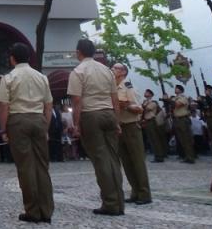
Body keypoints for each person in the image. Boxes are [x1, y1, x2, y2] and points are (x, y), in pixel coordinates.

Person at [0, 43, 54, 224]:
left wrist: (3, 128)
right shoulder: (41, 77)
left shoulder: (9, 78)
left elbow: (4, 106)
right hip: (38, 119)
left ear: (12, 58)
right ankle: (46, 210)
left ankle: (32, 210)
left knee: (26, 166)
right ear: (29, 57)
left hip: (19, 120)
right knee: (42, 166)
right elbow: (49, 105)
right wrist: (45, 127)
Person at [67, 39, 124, 216]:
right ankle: (119, 201)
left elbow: (77, 101)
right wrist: (117, 121)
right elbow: (115, 98)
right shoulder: (106, 70)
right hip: (109, 113)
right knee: (113, 158)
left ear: (79, 53)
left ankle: (110, 203)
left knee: (100, 159)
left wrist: (76, 124)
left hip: (91, 114)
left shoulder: (78, 71)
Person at [112, 63, 152, 205]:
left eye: (115, 68)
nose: (112, 70)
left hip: (131, 126)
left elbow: (138, 108)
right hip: (120, 127)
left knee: (137, 161)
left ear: (123, 72)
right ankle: (135, 191)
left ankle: (144, 193)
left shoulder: (128, 86)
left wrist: (126, 106)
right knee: (127, 162)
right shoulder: (113, 87)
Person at [164, 84, 196, 163]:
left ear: (180, 90)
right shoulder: (175, 98)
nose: (175, 89)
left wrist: (168, 100)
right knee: (181, 140)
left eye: (177, 88)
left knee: (186, 139)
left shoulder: (183, 97)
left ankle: (191, 157)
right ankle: (186, 156)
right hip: (176, 119)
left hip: (183, 119)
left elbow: (177, 105)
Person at [141, 89, 167, 162]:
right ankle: (157, 155)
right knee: (151, 139)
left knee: (155, 139)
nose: (145, 93)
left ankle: (159, 156)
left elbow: (147, 109)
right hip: (147, 121)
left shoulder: (153, 102)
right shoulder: (145, 102)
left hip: (152, 121)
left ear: (150, 94)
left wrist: (142, 106)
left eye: (147, 92)